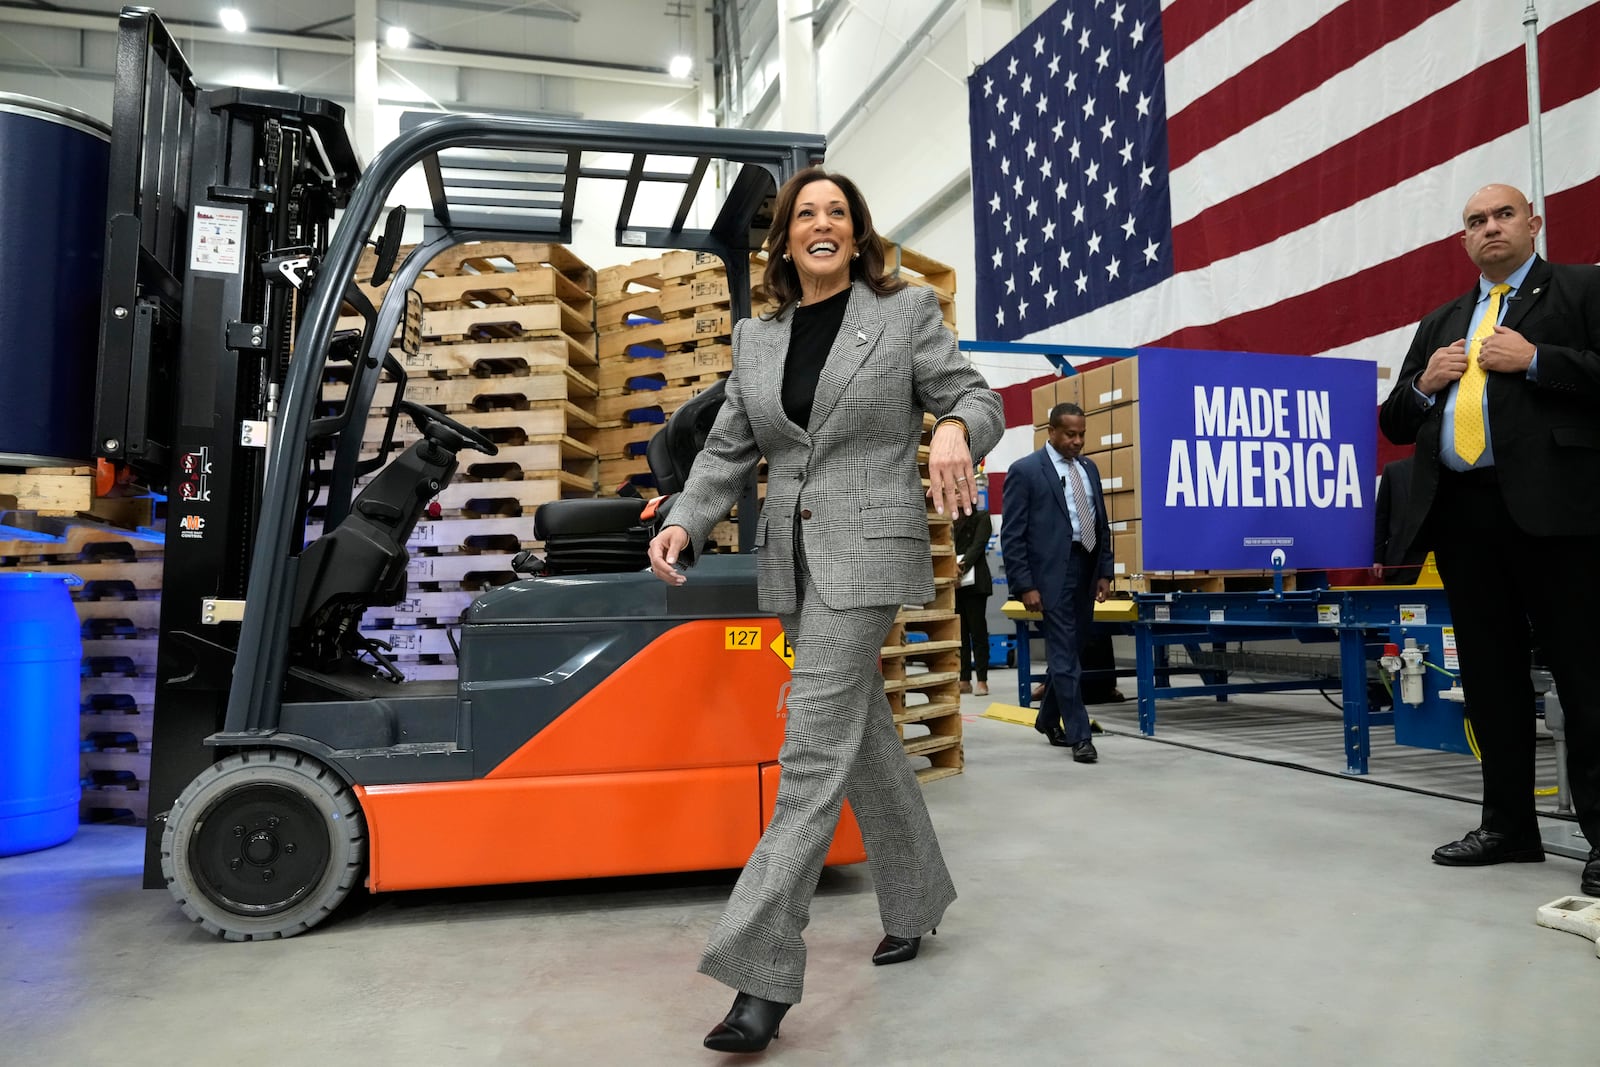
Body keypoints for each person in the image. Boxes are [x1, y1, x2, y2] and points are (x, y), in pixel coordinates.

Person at [646, 166, 1003, 1054]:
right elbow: (729, 448)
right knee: (863, 734)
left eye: (837, 213)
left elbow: (976, 397)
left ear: (857, 231)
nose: (822, 224)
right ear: (786, 239)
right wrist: (686, 521)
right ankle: (919, 899)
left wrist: (955, 425)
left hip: (868, 553)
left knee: (809, 752)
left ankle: (760, 978)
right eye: (807, 213)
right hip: (794, 563)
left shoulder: (902, 313)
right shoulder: (757, 338)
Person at [1378, 183, 1600, 897]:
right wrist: (1422, 382)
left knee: (1586, 677)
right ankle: (1508, 825)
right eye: (1475, 221)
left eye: (1504, 215)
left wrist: (1535, 360)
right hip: (1464, 519)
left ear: (1534, 223)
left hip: (1560, 517)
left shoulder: (1580, 290)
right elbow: (1394, 421)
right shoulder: (1443, 319)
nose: (1490, 228)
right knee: (1491, 681)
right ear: (1464, 239)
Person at [999, 401, 1113, 764]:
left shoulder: (1089, 469)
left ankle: (1047, 718)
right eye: (1070, 434)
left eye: (1082, 434)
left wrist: (1105, 573)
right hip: (1051, 577)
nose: (1077, 441)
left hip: (1085, 569)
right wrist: (1025, 584)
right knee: (1064, 657)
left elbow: (1101, 524)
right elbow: (1012, 535)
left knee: (1073, 651)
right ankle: (1080, 736)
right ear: (1051, 432)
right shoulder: (1026, 471)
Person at [953, 478, 993, 697]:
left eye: (962, 492)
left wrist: (962, 565)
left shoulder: (982, 517)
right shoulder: (949, 520)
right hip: (955, 582)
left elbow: (978, 545)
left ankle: (983, 680)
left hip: (975, 581)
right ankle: (964, 678)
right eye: (955, 493)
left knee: (977, 632)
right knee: (960, 633)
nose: (958, 496)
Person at [1371, 456, 1427, 585]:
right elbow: (1381, 517)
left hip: (1440, 564)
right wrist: (1377, 558)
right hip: (1400, 564)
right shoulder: (1394, 471)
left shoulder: (1451, 472)